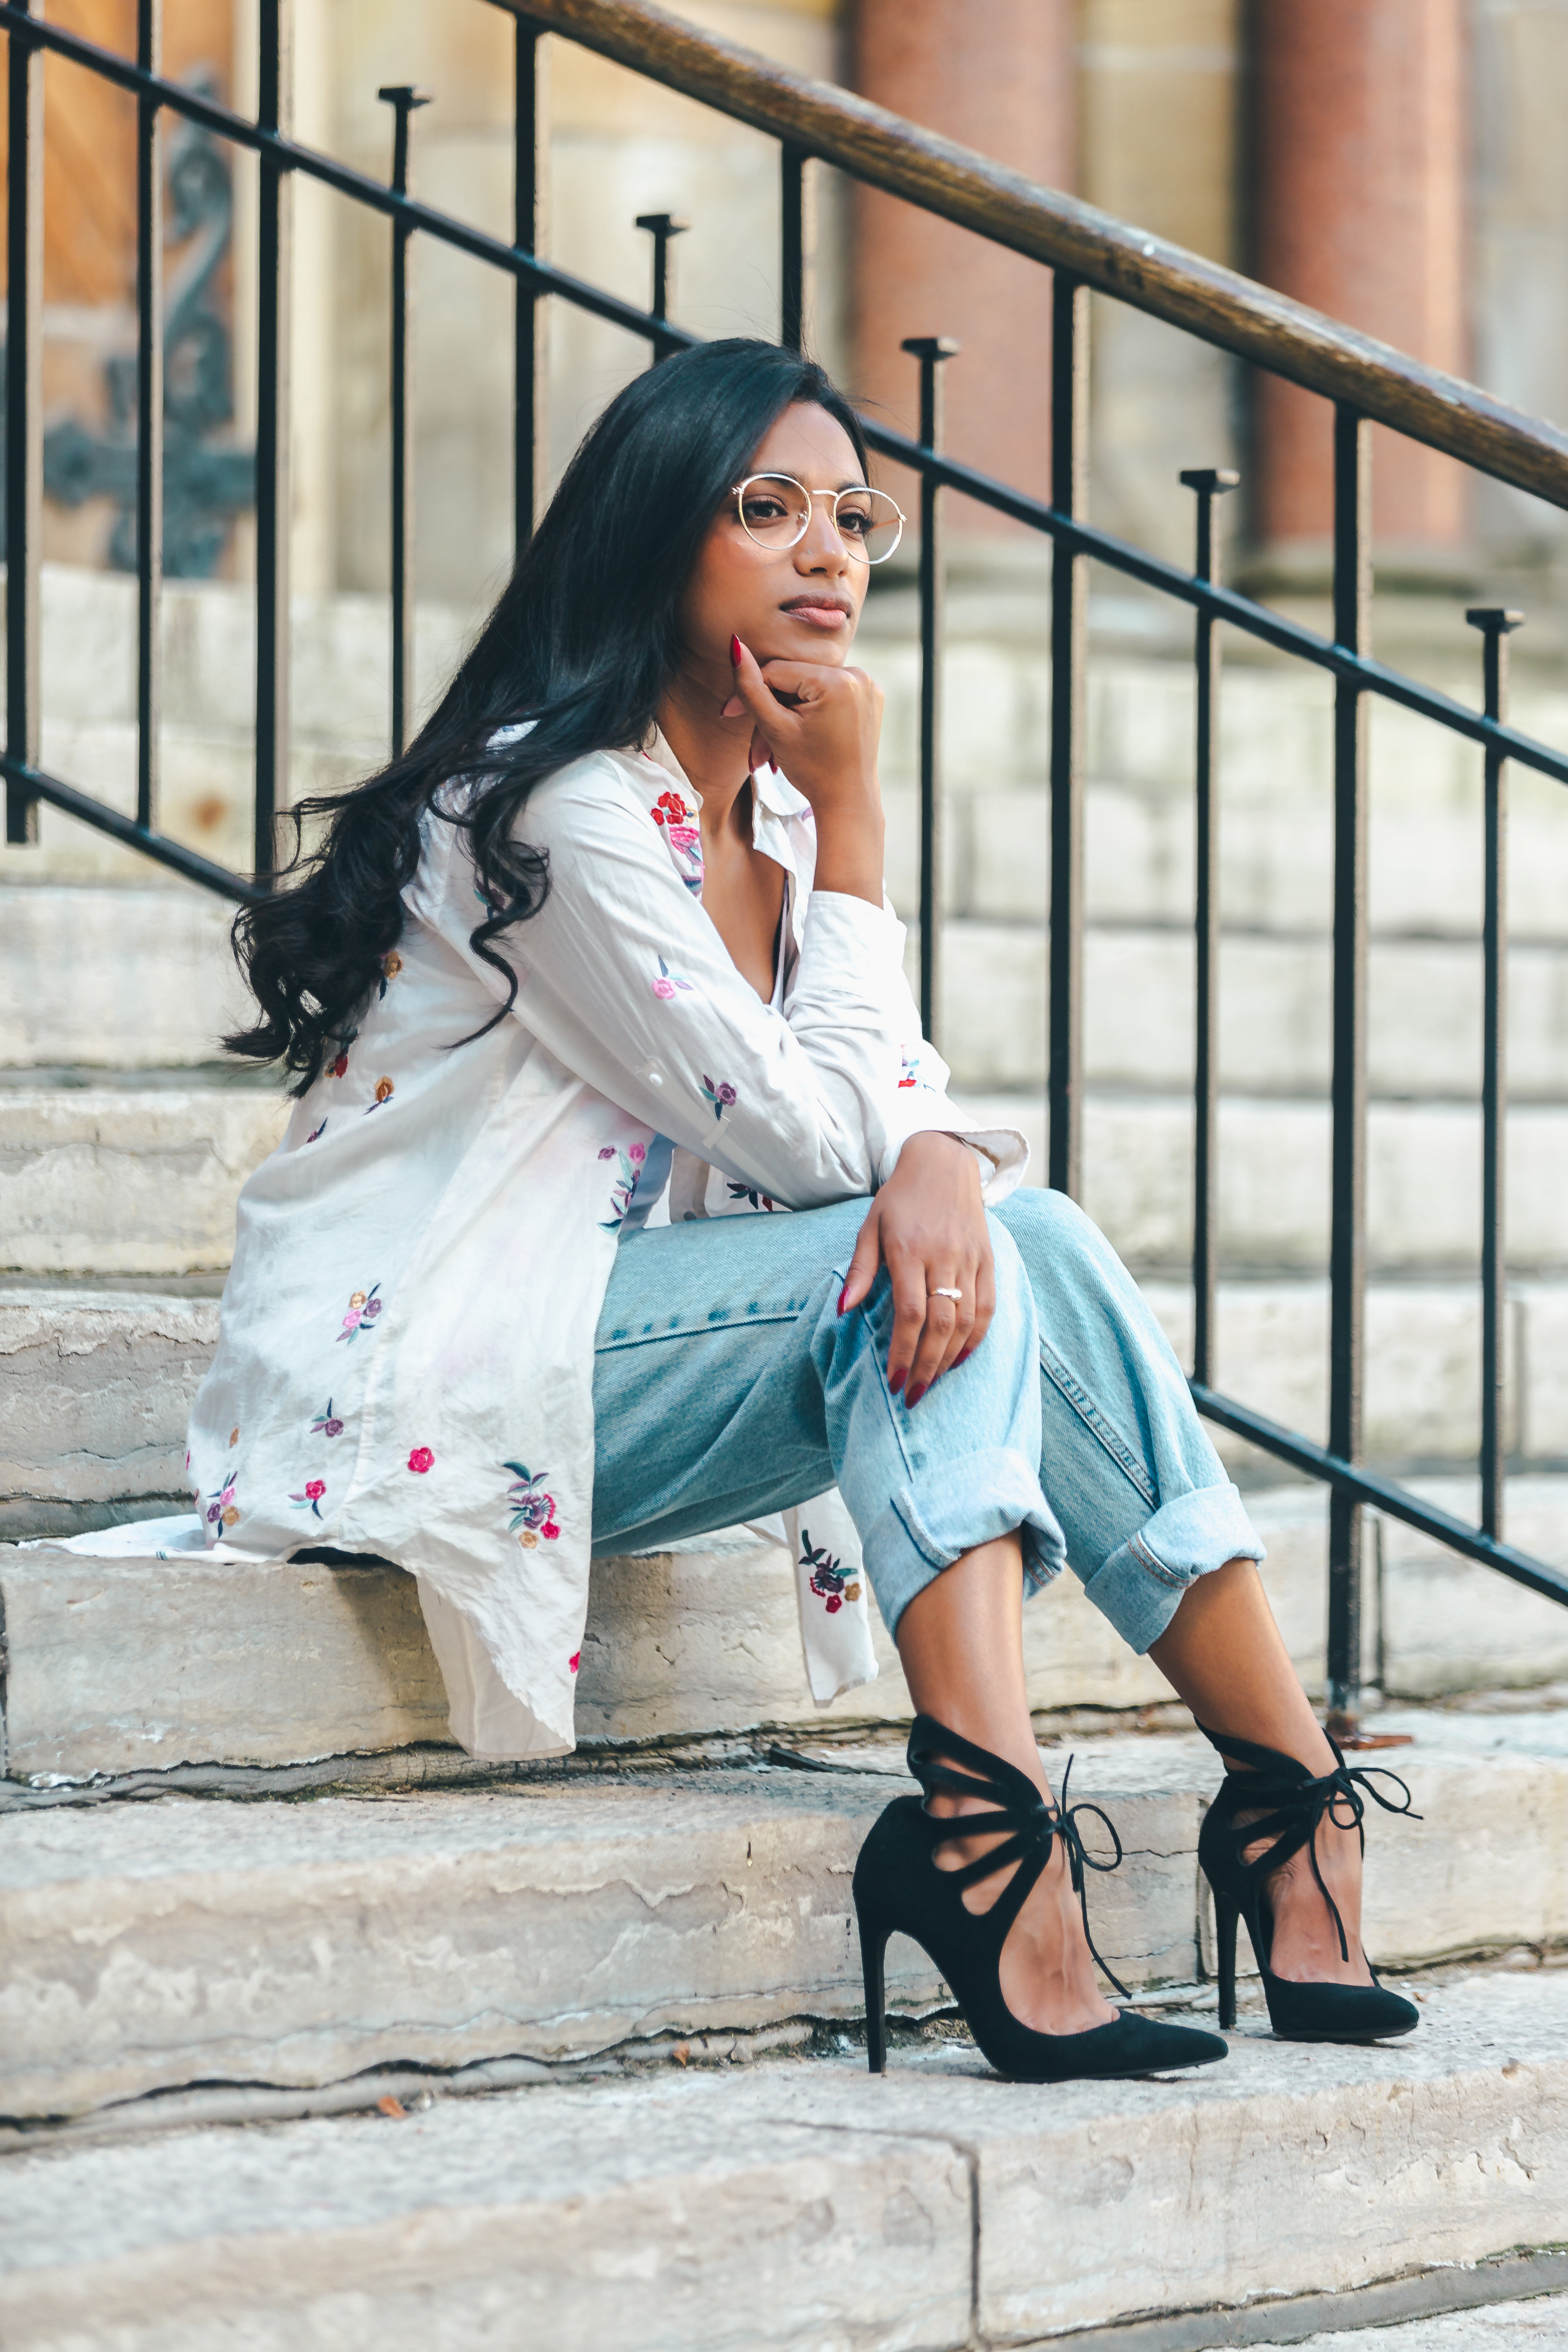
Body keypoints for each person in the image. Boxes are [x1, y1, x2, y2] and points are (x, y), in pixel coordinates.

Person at [199, 337, 1417, 2083]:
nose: (824, 552)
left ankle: (1282, 1795)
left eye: (852, 515)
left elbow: (873, 1126)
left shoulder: (753, 805)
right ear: (652, 536)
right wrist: (858, 835)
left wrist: (931, 1139)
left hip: (612, 1342)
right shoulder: (557, 809)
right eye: (762, 509)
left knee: (1033, 1239)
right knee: (958, 1242)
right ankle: (988, 1844)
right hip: (422, 1364)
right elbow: (797, 1133)